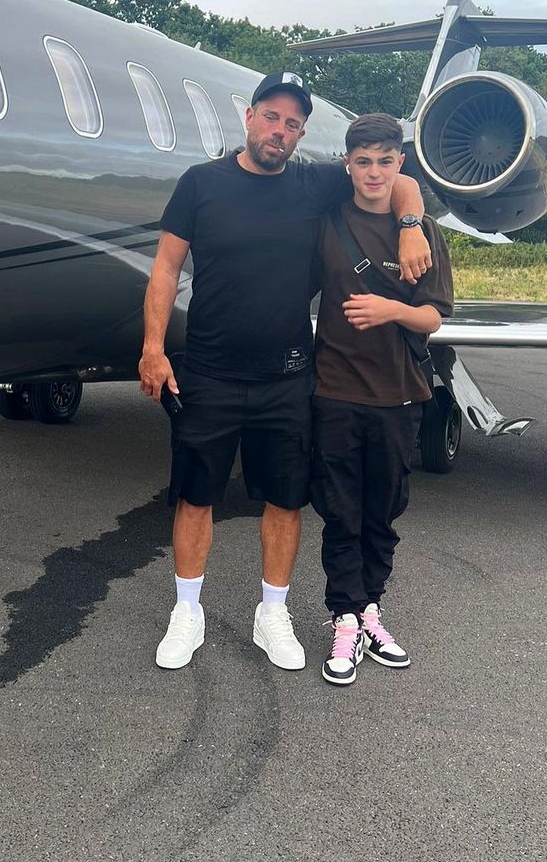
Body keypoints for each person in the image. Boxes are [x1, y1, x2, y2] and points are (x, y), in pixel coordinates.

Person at [138, 72, 432, 671]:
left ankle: (272, 613)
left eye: (292, 123)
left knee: (286, 499)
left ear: (301, 134)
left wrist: (409, 229)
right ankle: (187, 610)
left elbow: (397, 178)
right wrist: (153, 346)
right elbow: (166, 267)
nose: (280, 130)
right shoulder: (201, 184)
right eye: (271, 116)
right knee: (196, 495)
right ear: (249, 118)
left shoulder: (313, 183)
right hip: (210, 371)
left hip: (289, 377)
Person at [311, 112, 453, 685]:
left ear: (400, 164)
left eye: (385, 162)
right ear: (348, 164)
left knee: (383, 511)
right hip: (335, 391)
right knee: (340, 512)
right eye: (363, 161)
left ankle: (371, 607)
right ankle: (344, 618)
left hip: (399, 395)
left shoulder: (424, 232)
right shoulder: (327, 221)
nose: (374, 172)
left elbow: (434, 316)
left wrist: (391, 309)